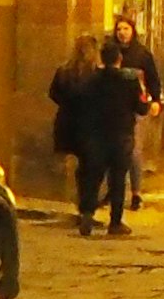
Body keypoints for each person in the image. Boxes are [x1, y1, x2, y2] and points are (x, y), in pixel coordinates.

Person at [44, 32, 131, 238]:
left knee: (86, 169)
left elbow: (53, 93)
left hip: (68, 124)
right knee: (96, 171)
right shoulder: (94, 75)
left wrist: (67, 106)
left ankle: (85, 208)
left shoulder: (64, 71)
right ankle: (93, 209)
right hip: (90, 127)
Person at [102, 11, 164, 205]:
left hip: (137, 108)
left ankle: (136, 192)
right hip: (113, 109)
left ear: (133, 31)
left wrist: (155, 101)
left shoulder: (142, 54)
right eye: (119, 29)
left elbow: (153, 79)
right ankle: (113, 190)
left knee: (135, 150)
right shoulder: (110, 53)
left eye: (126, 29)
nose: (122, 33)